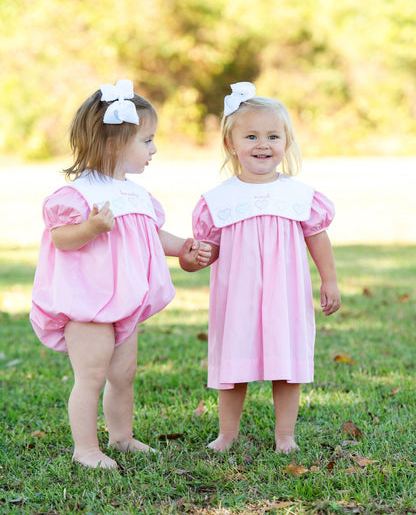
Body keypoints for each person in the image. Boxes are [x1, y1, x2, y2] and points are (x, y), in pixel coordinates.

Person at [30, 79, 211, 469]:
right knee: (92, 376)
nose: (154, 149)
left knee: (123, 374)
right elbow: (61, 238)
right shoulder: (78, 195)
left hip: (124, 300)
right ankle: (86, 449)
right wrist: (91, 228)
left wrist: (182, 247)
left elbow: (150, 233)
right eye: (146, 141)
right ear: (114, 144)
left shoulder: (136, 194)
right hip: (88, 304)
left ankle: (122, 437)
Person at [192, 82, 341, 454]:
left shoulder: (299, 195)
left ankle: (285, 435)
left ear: (286, 142)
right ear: (231, 143)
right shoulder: (219, 200)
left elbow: (318, 238)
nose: (263, 144)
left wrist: (330, 280)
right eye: (252, 136)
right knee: (233, 366)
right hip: (237, 297)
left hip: (285, 294)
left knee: (286, 363)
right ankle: (227, 434)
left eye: (273, 136)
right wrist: (190, 258)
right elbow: (205, 251)